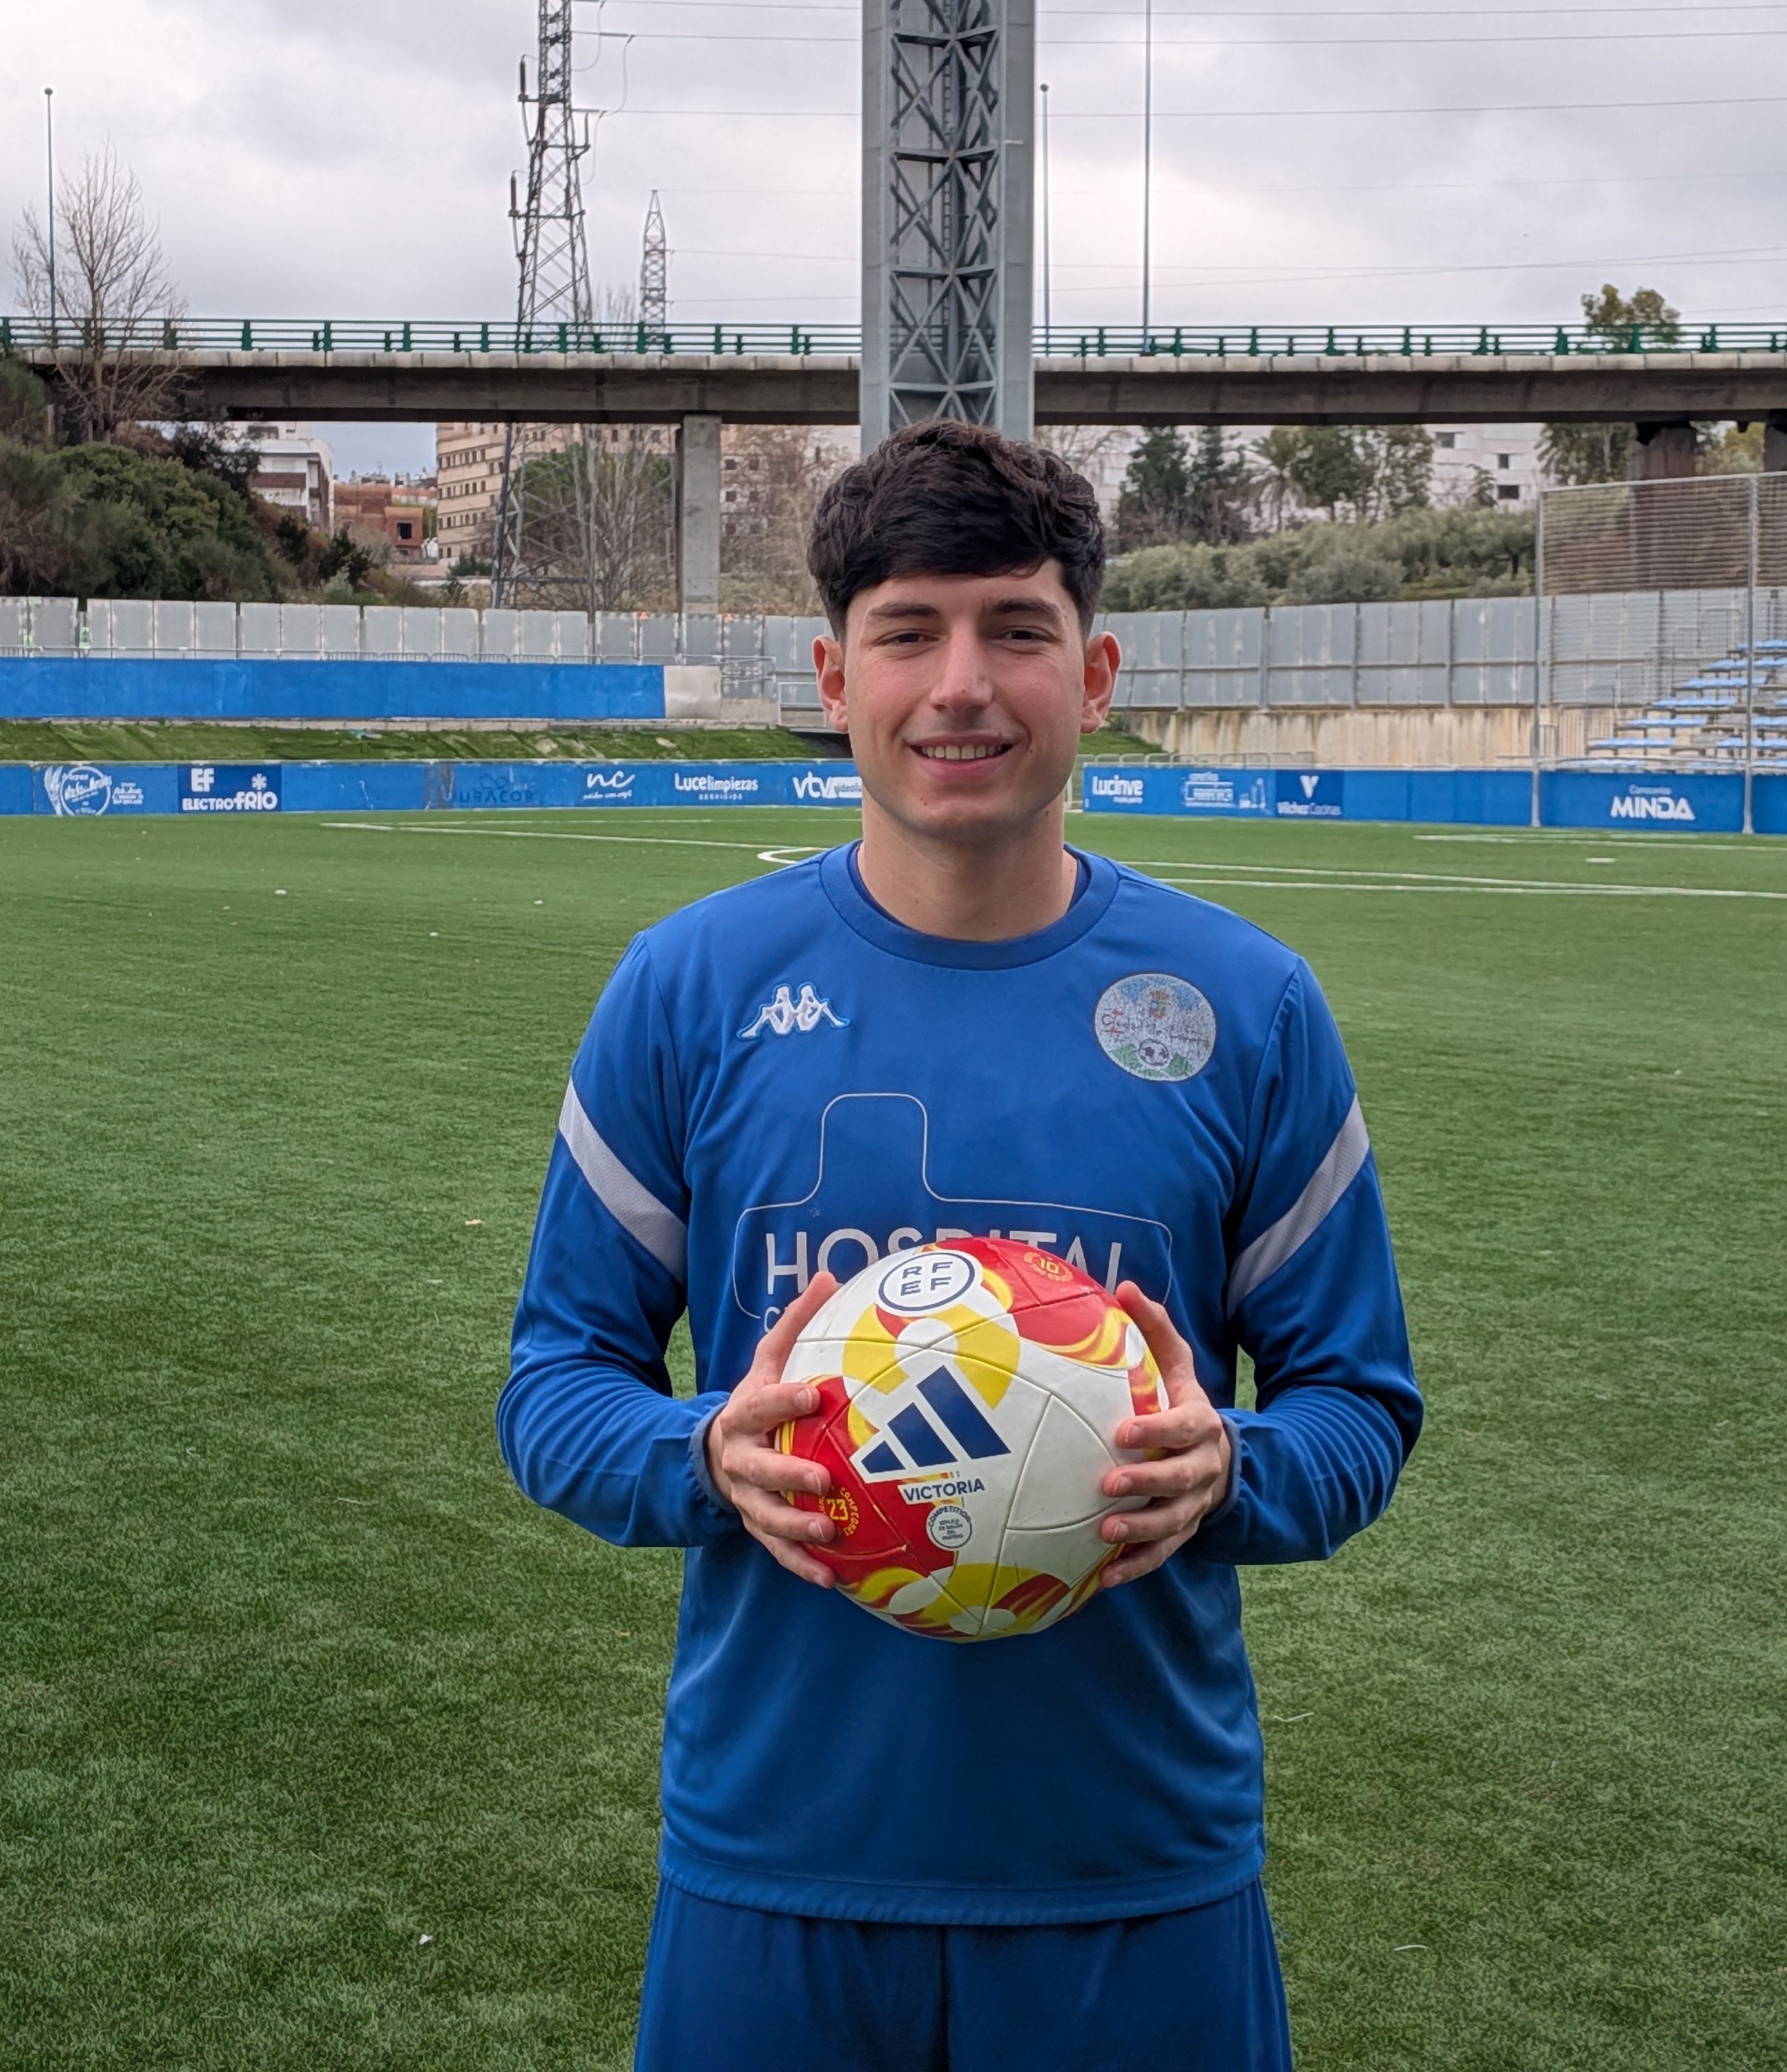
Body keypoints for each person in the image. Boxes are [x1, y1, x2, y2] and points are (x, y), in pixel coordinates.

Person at [501, 418, 1421, 2071]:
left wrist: (1233, 1472)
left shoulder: (1241, 1005)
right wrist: (703, 1454)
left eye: (1015, 629)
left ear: (1097, 668)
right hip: (778, 1861)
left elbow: (1358, 1403)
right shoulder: (689, 989)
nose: (960, 687)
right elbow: (555, 1385)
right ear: (831, 674)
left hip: (1131, 1872)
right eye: (906, 633)